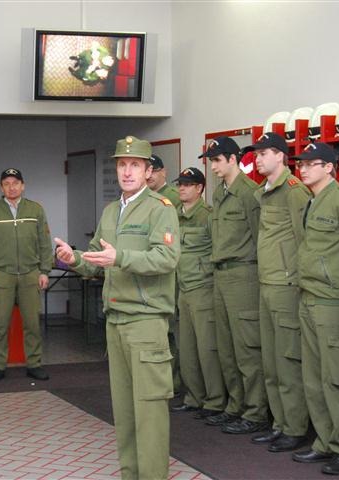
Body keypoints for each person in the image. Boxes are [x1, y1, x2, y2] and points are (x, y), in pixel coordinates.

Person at [54, 135, 180, 480]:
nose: (127, 171)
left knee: (150, 412)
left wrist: (120, 257)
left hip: (145, 321)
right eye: (122, 165)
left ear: (148, 171)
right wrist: (74, 258)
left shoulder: (160, 209)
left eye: (134, 165)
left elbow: (166, 258)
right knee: (124, 414)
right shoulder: (112, 211)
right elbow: (97, 258)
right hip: (116, 320)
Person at [292, 142, 339, 475]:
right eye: (301, 163)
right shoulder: (311, 200)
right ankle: (325, 441)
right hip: (308, 298)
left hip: (334, 303)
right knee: (313, 379)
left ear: (329, 167)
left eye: (311, 163)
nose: (303, 168)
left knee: (338, 379)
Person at [246, 132, 312, 452]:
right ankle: (279, 423)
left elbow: (304, 240)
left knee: (288, 362)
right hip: (266, 283)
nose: (257, 159)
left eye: (263, 153)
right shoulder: (265, 191)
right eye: (256, 154)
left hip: (286, 286)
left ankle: (295, 427)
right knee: (271, 361)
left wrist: (296, 280)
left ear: (280, 156)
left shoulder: (294, 191)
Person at [202, 136, 269, 436]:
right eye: (211, 161)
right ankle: (235, 405)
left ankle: (255, 411)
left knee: (247, 349)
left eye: (217, 160)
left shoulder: (249, 193)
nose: (213, 167)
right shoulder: (220, 192)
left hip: (243, 275)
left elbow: (259, 238)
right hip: (221, 275)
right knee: (226, 347)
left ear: (233, 159)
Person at [0, 168, 52, 383]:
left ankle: (34, 364)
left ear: (23, 185)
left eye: (15, 183)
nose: (12, 187)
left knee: (33, 323)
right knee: (0, 323)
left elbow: (44, 243)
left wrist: (44, 271)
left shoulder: (35, 210)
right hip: (1, 274)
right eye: (7, 184)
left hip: (31, 273)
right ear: (1, 187)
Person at [171, 166, 224, 419]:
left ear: (200, 188)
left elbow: (218, 251)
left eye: (187, 184)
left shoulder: (208, 216)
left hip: (203, 289)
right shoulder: (174, 216)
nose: (181, 188)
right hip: (182, 289)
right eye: (180, 184)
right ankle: (194, 397)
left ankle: (215, 401)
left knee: (207, 349)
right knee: (186, 349)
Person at [147, 153, 182, 398]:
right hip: (153, 273)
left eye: (154, 170)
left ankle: (175, 383)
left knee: (172, 331)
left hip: (173, 271)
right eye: (146, 170)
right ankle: (165, 382)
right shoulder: (144, 199)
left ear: (163, 172)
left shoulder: (171, 199)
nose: (150, 175)